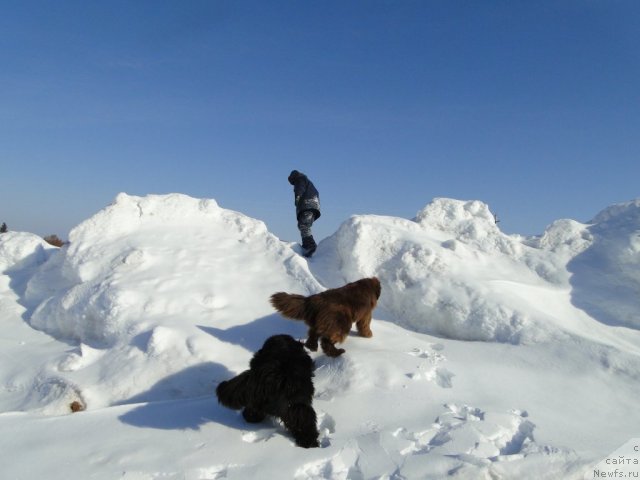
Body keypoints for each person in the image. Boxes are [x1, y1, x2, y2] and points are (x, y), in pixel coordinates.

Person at [288, 170, 321, 257]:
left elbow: (300, 187)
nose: (293, 184)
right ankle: (307, 244)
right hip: (312, 205)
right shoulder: (308, 183)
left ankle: (311, 247)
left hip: (308, 204)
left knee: (304, 225)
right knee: (303, 225)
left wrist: (298, 196)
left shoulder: (300, 179)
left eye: (292, 182)